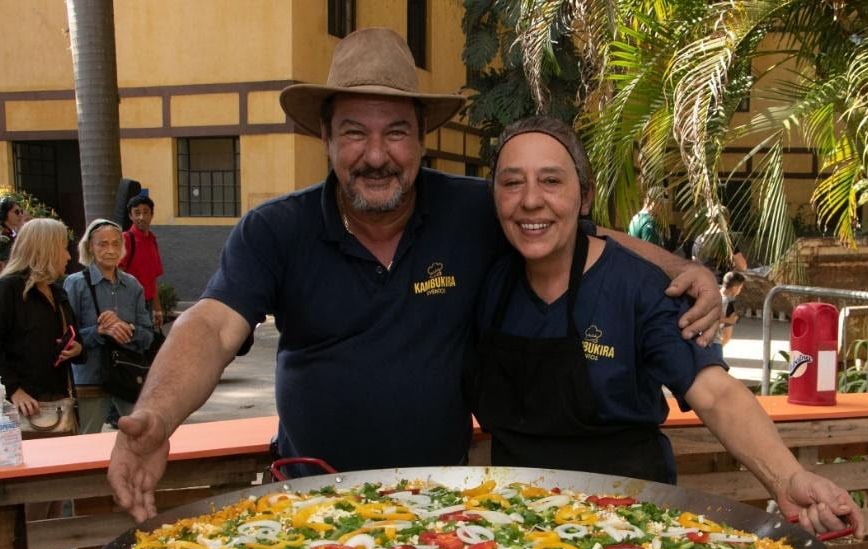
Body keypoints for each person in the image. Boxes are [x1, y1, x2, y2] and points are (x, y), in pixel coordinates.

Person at [107, 27, 722, 523]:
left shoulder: (472, 210)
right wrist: (157, 419)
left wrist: (682, 268)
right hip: (312, 508)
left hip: (446, 509)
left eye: (396, 131)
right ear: (324, 137)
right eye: (355, 132)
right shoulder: (275, 230)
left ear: (421, 138)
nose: (377, 155)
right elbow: (212, 327)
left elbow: (570, 230)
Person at [465, 116, 862, 538]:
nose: (530, 200)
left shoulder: (639, 288)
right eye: (512, 183)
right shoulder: (485, 278)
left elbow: (715, 393)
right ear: (494, 199)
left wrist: (787, 479)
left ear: (584, 197)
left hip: (629, 524)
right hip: (515, 524)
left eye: (551, 181)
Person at [0, 218, 84, 518]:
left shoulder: (56, 292)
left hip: (57, 402)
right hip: (24, 408)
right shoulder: (8, 290)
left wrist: (77, 348)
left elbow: (72, 334)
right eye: (63, 248)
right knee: (33, 494)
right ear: (46, 249)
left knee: (55, 490)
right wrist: (13, 390)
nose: (68, 256)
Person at [63, 219, 154, 434]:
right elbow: (67, 337)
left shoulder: (132, 285)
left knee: (143, 434)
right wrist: (99, 331)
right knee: (86, 439)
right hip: (90, 377)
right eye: (102, 244)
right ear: (90, 247)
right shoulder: (76, 284)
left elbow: (148, 336)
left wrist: (126, 330)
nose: (110, 250)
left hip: (127, 375)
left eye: (115, 244)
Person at [120, 194, 165, 329]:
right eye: (137, 213)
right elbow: (118, 274)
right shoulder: (125, 239)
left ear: (152, 215)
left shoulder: (152, 240)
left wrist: (157, 309)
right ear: (130, 216)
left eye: (146, 212)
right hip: (130, 305)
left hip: (148, 304)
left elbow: (153, 279)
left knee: (147, 343)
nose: (141, 217)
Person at [0, 195, 26, 271]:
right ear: (4, 214)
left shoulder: (10, 231)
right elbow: (1, 265)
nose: (21, 215)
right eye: (16, 212)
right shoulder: (1, 237)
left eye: (21, 211)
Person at [715, 270, 745, 346]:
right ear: (734, 288)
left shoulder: (712, 293)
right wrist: (729, 320)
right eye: (740, 288)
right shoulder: (728, 303)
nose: (740, 291)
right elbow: (726, 337)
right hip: (713, 342)